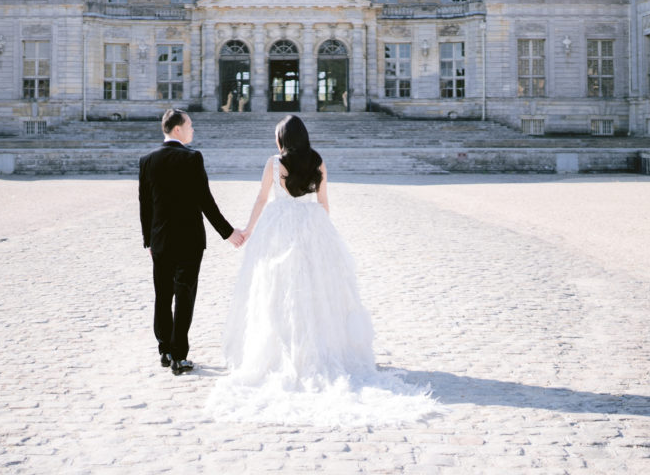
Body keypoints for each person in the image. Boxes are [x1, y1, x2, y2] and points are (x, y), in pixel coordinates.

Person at [207, 115, 441, 424]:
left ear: (282, 139)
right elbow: (324, 204)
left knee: (278, 292)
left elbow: (263, 199)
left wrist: (249, 229)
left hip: (280, 229)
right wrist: (320, 235)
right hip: (313, 226)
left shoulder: (274, 164)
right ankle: (322, 348)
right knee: (318, 292)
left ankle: (284, 353)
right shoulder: (318, 161)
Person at [139, 109, 245, 375]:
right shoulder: (192, 158)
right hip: (188, 241)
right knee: (184, 295)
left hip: (160, 240)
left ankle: (164, 349)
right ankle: (179, 356)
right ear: (177, 130)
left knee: (162, 295)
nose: (193, 129)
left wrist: (148, 241)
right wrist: (228, 232)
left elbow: (145, 206)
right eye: (190, 125)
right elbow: (205, 201)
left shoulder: (147, 160)